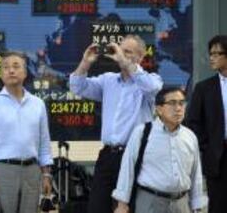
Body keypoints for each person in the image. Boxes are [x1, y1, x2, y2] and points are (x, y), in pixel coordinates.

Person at [69, 35, 163, 213]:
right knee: (97, 207)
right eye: (120, 49)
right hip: (108, 156)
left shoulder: (150, 80)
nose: (120, 54)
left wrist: (126, 63)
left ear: (141, 57)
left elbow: (151, 88)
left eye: (127, 52)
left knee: (132, 208)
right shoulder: (108, 80)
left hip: (136, 156)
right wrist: (85, 62)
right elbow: (77, 87)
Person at [0, 51, 53, 213]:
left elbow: (44, 143)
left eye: (16, 66)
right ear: (1, 73)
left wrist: (46, 175)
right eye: (6, 67)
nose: (11, 71)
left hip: (32, 170)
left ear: (25, 72)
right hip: (3, 170)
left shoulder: (38, 104)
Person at [113, 87, 207, 213]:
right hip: (151, 202)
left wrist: (197, 206)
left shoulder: (190, 136)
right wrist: (122, 204)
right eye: (172, 103)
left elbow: (196, 175)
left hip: (182, 204)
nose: (178, 108)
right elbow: (127, 168)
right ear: (159, 109)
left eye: (181, 103)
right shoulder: (142, 132)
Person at [186, 35, 227, 213]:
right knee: (218, 206)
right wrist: (207, 147)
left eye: (217, 54)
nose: (212, 58)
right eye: (211, 53)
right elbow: (193, 122)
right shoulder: (204, 88)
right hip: (218, 158)